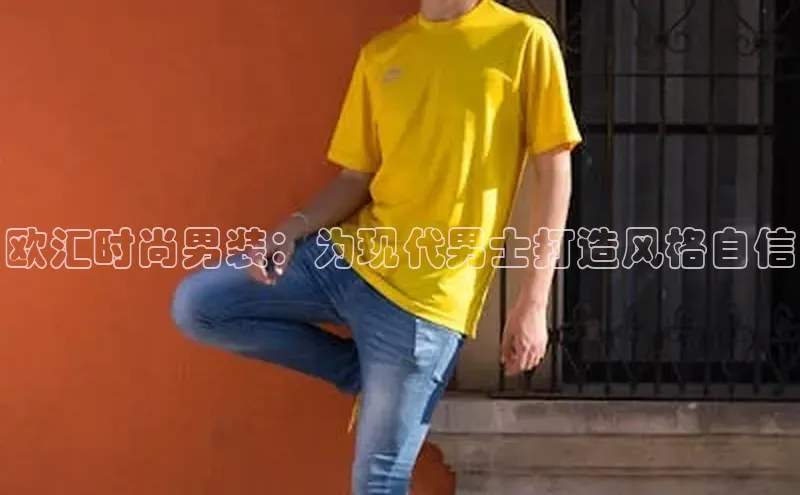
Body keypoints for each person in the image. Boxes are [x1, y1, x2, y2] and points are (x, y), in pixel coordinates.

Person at [170, 0, 581, 493]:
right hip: (345, 259)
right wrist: (290, 230)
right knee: (200, 305)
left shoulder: (525, 39)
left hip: (424, 301)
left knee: (378, 483)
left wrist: (533, 303)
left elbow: (554, 172)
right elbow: (355, 178)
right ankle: (358, 369)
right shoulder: (383, 53)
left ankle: (378, 373)